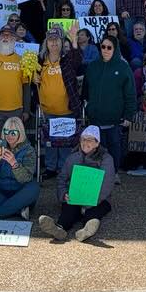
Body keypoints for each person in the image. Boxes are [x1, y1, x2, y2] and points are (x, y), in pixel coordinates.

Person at [37, 126, 115, 242]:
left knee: (94, 213)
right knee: (69, 210)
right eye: (83, 139)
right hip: (75, 196)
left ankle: (86, 230)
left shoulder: (106, 159)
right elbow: (62, 179)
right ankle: (59, 228)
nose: (85, 142)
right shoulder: (72, 157)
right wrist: (63, 194)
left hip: (98, 199)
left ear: (97, 143)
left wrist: (90, 201)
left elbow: (107, 184)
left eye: (90, 140)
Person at [82, 34, 136, 177]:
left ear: (115, 48)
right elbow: (85, 91)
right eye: (103, 47)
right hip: (95, 118)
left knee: (114, 147)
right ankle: (98, 174)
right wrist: (88, 107)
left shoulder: (123, 68)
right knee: (96, 147)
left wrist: (128, 115)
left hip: (115, 119)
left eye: (109, 47)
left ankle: (114, 173)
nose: (105, 50)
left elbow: (130, 94)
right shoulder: (92, 67)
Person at [37, 29, 82, 178]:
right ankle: (50, 168)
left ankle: (63, 168)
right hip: (47, 110)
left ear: (62, 43)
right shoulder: (40, 60)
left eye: (57, 39)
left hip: (66, 110)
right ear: (46, 43)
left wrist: (74, 40)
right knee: (49, 142)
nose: (54, 42)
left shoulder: (66, 59)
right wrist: (32, 77)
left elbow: (77, 59)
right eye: (51, 40)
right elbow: (30, 75)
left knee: (65, 143)